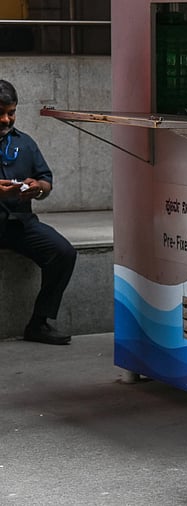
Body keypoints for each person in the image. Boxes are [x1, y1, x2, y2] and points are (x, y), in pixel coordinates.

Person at [0, 80, 77, 345]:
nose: (6, 119)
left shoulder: (25, 143)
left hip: (19, 223)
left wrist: (39, 188)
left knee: (63, 252)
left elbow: (46, 182)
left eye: (11, 112)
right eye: (0, 112)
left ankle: (39, 323)